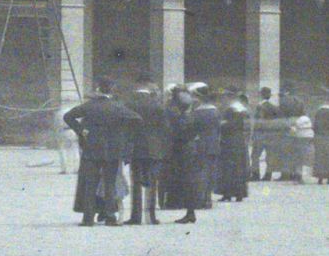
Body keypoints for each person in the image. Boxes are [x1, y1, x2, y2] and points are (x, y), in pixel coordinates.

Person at [63, 79, 138, 227]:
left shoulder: (89, 106)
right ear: (111, 90)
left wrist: (80, 130)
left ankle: (88, 218)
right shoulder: (118, 107)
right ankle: (110, 217)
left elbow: (68, 116)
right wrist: (122, 134)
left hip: (91, 149)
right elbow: (136, 118)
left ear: (98, 89)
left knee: (90, 184)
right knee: (110, 185)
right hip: (112, 150)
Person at [169, 86, 220, 223]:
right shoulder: (193, 115)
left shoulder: (186, 117)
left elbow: (182, 134)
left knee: (188, 181)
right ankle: (191, 210)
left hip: (186, 151)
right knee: (192, 180)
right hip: (195, 150)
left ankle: (190, 212)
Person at [127, 86, 170, 225]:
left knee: (136, 182)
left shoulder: (130, 105)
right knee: (152, 181)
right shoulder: (158, 106)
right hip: (154, 148)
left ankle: (136, 216)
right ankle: (150, 216)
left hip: (136, 148)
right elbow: (165, 128)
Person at [216, 92, 252, 201]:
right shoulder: (243, 110)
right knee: (239, 167)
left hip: (229, 141)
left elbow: (229, 126)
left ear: (229, 98)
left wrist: (221, 124)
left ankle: (227, 193)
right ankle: (239, 193)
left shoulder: (231, 110)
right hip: (240, 141)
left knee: (228, 168)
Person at [251, 87, 283, 181]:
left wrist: (254, 133)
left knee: (255, 155)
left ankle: (256, 175)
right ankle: (268, 175)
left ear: (261, 94)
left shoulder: (260, 106)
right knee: (270, 155)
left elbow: (259, 121)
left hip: (260, 134)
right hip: (271, 135)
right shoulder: (275, 107)